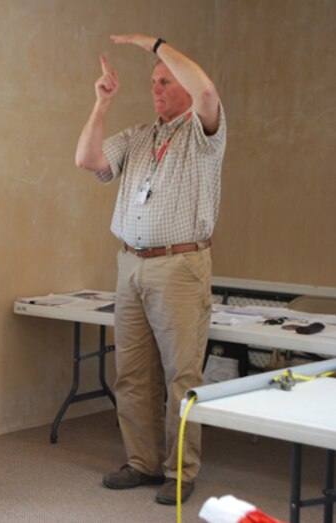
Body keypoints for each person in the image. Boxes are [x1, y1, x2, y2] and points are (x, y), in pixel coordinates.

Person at [75, 34, 226, 505]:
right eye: (153, 83)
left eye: (165, 81)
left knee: (181, 375)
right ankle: (141, 463)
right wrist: (101, 105)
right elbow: (88, 159)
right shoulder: (141, 135)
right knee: (133, 374)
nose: (156, 89)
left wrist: (154, 44)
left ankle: (180, 472)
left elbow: (206, 93)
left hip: (179, 266)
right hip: (131, 264)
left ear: (182, 84)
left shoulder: (204, 134)